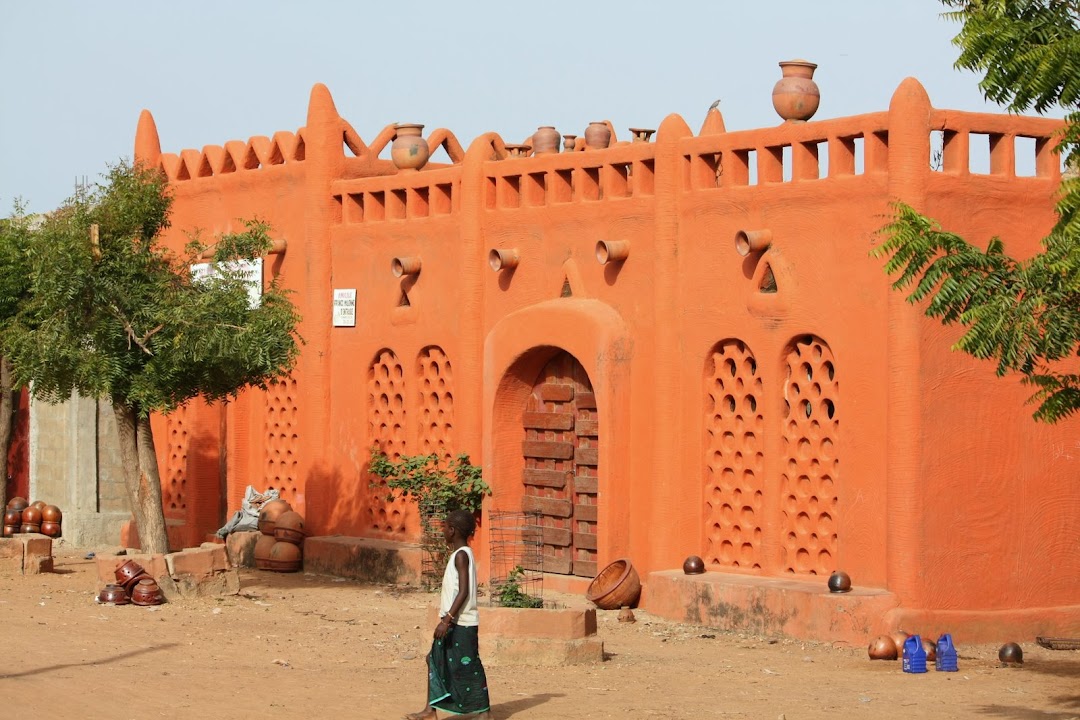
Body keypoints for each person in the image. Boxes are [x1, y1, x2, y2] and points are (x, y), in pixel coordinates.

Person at [406, 509, 491, 720]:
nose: (442, 530)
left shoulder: (461, 555)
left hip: (460, 623)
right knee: (433, 659)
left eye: (444, 526)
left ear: (452, 530)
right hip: (456, 621)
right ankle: (430, 710)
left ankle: (484, 712)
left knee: (469, 665)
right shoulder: (462, 554)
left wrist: (446, 620)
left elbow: (464, 591)